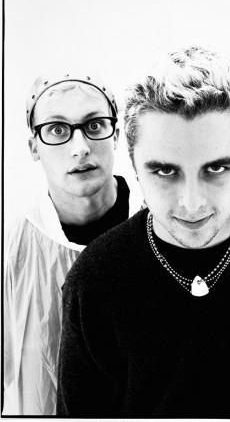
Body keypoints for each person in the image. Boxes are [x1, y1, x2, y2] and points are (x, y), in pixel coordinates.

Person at [57, 47, 230, 418]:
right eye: (165, 171)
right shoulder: (94, 280)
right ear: (134, 165)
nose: (192, 203)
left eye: (216, 169)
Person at [3, 74, 133, 415]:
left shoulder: (162, 228)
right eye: (57, 130)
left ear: (116, 135)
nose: (80, 147)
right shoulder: (12, 253)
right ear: (34, 147)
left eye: (94, 125)